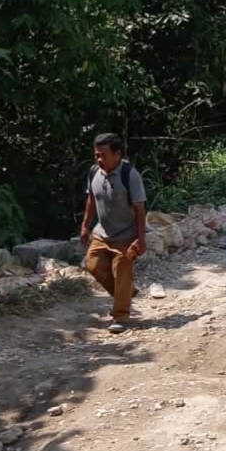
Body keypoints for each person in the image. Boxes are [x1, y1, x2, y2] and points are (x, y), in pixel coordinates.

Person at [79, 133, 147, 334]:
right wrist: (85, 226)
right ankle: (126, 293)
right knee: (93, 266)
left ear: (117, 154)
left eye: (103, 155)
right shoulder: (94, 173)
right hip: (102, 233)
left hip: (126, 235)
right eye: (96, 155)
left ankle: (121, 316)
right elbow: (91, 200)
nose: (99, 159)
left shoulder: (130, 175)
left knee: (122, 273)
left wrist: (141, 240)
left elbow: (140, 210)